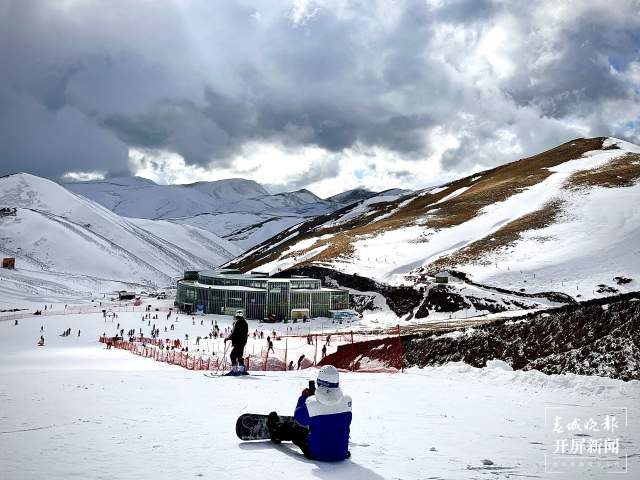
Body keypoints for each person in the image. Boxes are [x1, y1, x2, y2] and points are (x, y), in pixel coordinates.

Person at [268, 365, 352, 461]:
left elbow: (298, 418)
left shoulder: (311, 403)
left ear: (319, 381)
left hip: (316, 453)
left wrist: (304, 398)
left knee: (295, 430)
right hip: (341, 453)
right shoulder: (347, 400)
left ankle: (275, 431)